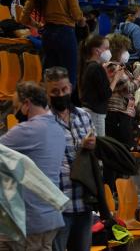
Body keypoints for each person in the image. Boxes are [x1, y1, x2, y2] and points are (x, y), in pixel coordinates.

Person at [0, 81, 66, 250]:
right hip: (51, 217)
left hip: (30, 220)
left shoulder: (26, 130)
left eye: (16, 106)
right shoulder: (58, 130)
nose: (14, 112)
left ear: (27, 104)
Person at [44, 66, 96, 251]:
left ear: (71, 87)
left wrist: (92, 146)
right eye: (55, 91)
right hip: (58, 205)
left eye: (64, 90)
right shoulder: (43, 121)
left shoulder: (83, 116)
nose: (60, 94)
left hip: (84, 199)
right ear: (47, 92)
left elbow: (95, 156)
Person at [20, 0, 85, 87]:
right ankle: (64, 106)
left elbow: (23, 17)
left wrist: (37, 25)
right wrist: (82, 21)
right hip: (65, 33)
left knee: (49, 78)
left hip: (47, 33)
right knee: (69, 79)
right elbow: (76, 14)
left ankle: (47, 106)